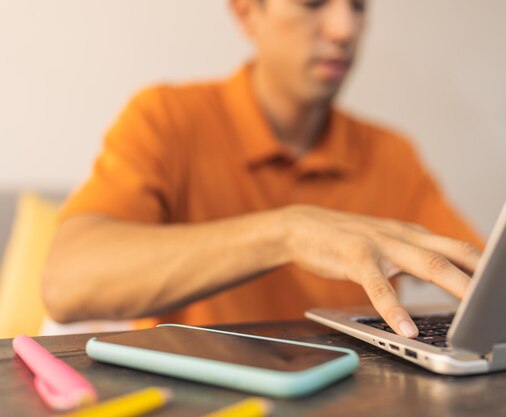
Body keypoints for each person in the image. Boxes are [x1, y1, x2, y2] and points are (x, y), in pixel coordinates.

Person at [42, 0, 482, 339]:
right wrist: (288, 231)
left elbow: (475, 270)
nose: (345, 29)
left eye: (359, 5)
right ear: (247, 12)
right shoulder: (166, 118)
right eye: (313, 2)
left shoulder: (391, 154)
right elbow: (66, 284)